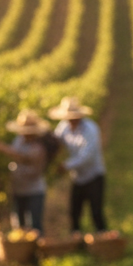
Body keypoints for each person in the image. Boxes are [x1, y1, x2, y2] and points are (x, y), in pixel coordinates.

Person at [49, 96, 107, 233]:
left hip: (94, 175)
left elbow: (86, 156)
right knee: (74, 212)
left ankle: (102, 240)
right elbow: (56, 141)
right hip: (78, 176)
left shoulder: (90, 129)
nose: (70, 120)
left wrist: (65, 166)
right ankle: (77, 241)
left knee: (96, 212)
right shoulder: (64, 126)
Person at [0, 109, 50, 233]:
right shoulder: (18, 140)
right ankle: (23, 251)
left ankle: (37, 250)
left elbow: (22, 157)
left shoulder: (38, 147)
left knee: (35, 225)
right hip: (18, 189)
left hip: (34, 190)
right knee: (20, 226)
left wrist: (4, 149)